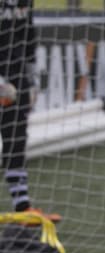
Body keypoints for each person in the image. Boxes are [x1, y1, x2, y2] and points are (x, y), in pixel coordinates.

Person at [0, 0, 59, 221]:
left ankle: (22, 206)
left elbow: (28, 33)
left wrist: (32, 79)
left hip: (16, 75)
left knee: (16, 137)